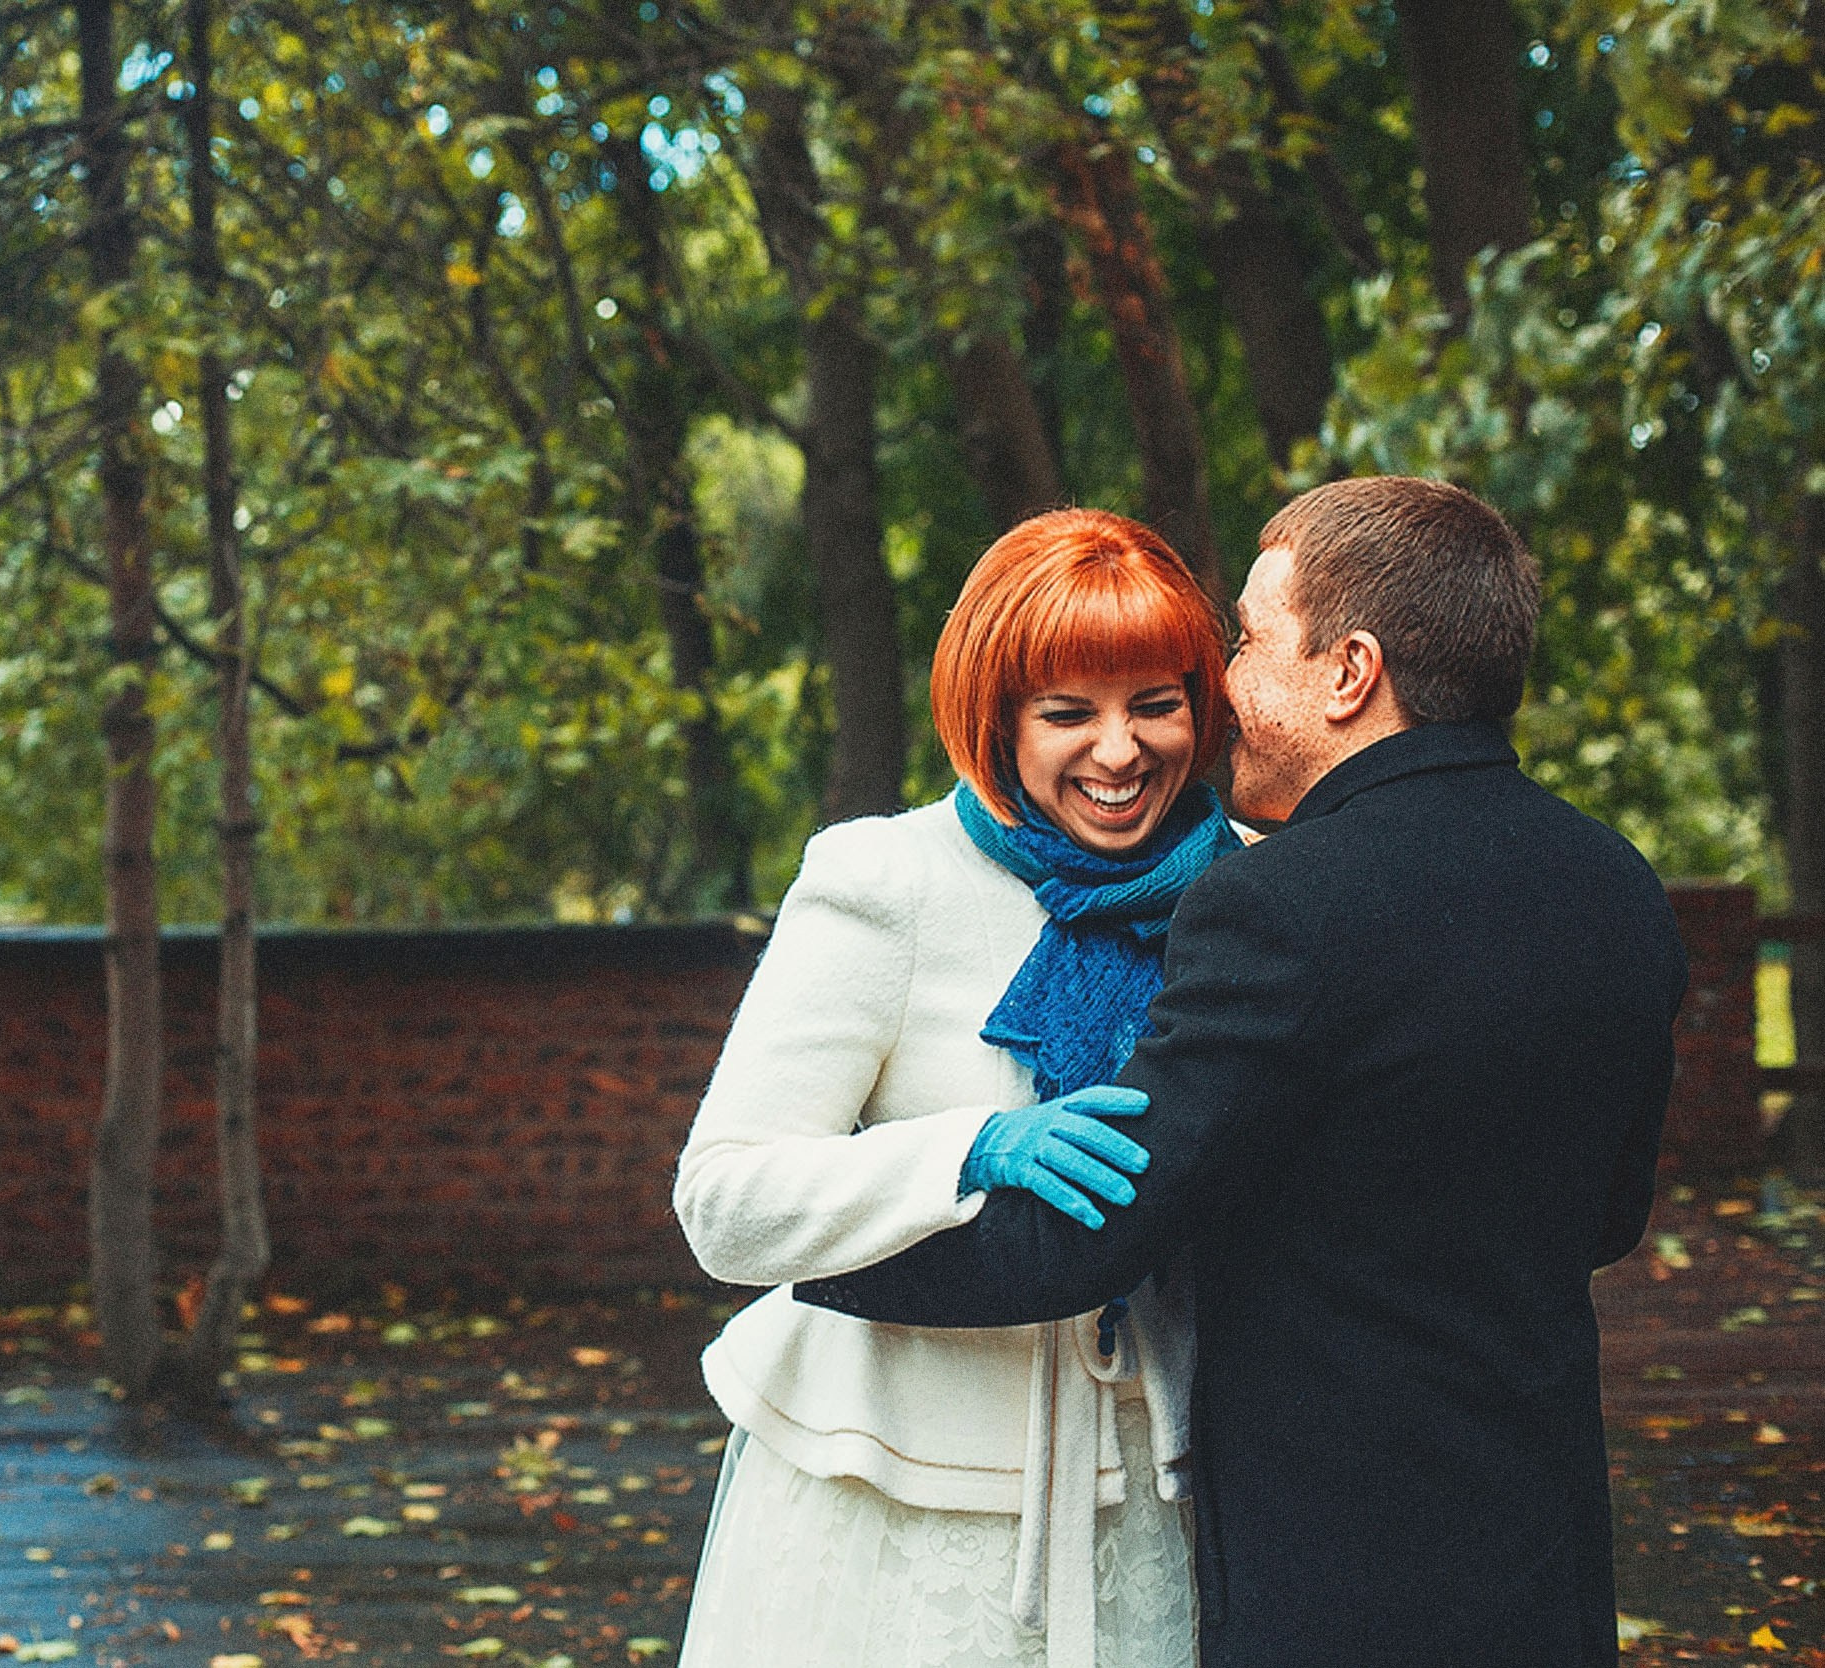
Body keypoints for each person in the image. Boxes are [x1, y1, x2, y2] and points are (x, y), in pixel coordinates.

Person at [799, 477, 1689, 1668]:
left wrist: (814, 1264)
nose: (1223, 684)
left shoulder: (1278, 906)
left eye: (1252, 641)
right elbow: (1608, 1217)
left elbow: (1096, 1234)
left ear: (1348, 671)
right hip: (1540, 1533)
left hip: (1335, 1554)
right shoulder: (1615, 888)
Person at [670, 507, 1238, 1668]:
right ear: (996, 719)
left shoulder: (1253, 890)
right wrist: (971, 1150)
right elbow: (724, 1206)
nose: (1119, 752)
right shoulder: (885, 881)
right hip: (897, 1512)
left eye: (1154, 704)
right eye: (1067, 713)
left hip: (1154, 1501)